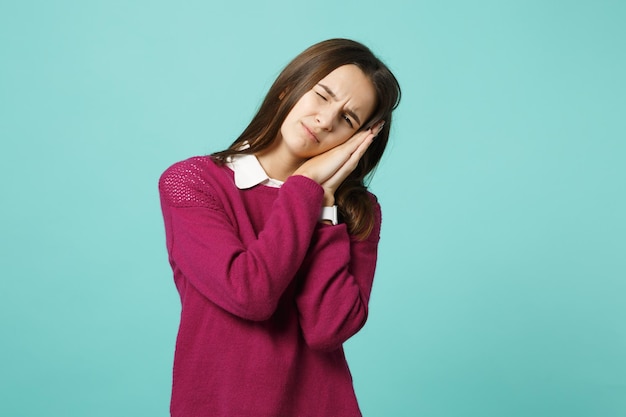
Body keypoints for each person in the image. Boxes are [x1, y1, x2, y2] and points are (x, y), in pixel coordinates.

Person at [158, 38, 401, 417]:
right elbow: (250, 293)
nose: (325, 120)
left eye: (348, 119)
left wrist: (323, 208)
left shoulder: (356, 211)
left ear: (356, 141)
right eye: (321, 95)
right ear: (291, 86)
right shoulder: (192, 182)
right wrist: (305, 187)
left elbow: (328, 329)